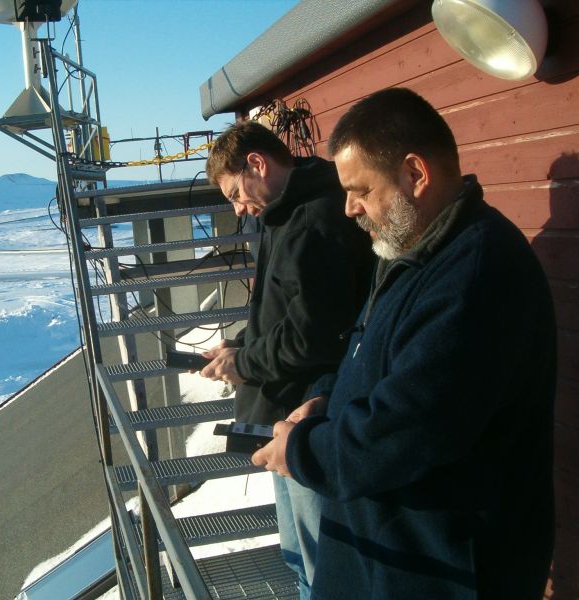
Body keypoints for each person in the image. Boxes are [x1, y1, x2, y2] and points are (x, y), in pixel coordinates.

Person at [252, 87, 556, 600]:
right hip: (393, 560)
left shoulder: (479, 274)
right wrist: (326, 397)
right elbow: (374, 354)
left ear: (415, 174)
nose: (349, 208)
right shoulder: (415, 249)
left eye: (360, 190)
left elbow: (410, 428)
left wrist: (303, 451)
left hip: (446, 571)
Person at [200, 120, 373, 597]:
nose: (238, 208)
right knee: (298, 555)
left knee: (321, 567)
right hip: (284, 413)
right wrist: (239, 344)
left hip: (309, 414)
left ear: (257, 163)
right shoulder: (286, 212)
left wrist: (246, 364)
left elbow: (314, 335)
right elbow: (279, 310)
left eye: (236, 192)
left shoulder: (315, 218)